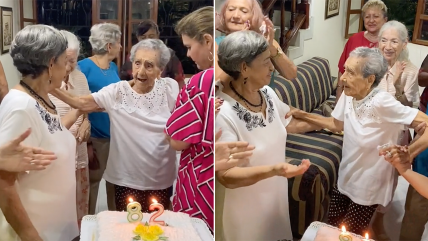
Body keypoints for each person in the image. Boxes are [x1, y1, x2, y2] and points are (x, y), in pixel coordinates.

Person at [286, 46, 428, 236]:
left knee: (353, 235)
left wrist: (409, 153)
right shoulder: (349, 92)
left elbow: (425, 121)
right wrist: (300, 113)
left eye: (351, 72)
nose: (342, 77)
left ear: (370, 80)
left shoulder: (381, 102)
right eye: (345, 69)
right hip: (346, 176)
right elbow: (336, 124)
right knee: (332, 229)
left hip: (368, 185)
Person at [51, 38, 179, 213]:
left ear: (160, 70)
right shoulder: (117, 92)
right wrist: (48, 86)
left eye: (149, 65)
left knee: (156, 231)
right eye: (137, 63)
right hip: (125, 179)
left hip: (161, 178)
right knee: (126, 230)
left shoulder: (170, 88)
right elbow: (81, 102)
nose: (140, 71)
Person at [215, 30, 321, 241]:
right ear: (244, 68)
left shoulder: (267, 94)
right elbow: (226, 176)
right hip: (246, 212)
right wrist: (274, 170)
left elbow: (289, 121)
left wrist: (331, 123)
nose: (272, 67)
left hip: (275, 200)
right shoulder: (223, 112)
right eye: (265, 62)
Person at [0, 24, 84, 241]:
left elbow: (49, 134)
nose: (67, 68)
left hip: (58, 227)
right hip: (38, 232)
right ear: (50, 63)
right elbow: (4, 183)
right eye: (64, 61)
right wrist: (30, 236)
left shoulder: (40, 97)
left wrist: (77, 112)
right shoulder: (21, 107)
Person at [164, 6, 215, 233]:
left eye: (189, 47)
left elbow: (178, 141)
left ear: (207, 41)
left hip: (201, 180)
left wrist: (168, 130)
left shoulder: (200, 82)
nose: (188, 55)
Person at [372, 20, 420, 239]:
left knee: (388, 179)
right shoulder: (371, 64)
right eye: (383, 40)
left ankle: (379, 221)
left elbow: (412, 112)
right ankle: (363, 215)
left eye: (394, 41)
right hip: (370, 129)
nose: (387, 46)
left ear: (404, 44)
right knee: (369, 177)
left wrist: (399, 86)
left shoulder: (410, 71)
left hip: (395, 134)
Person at [49, 30, 91, 228]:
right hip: (57, 156)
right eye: (64, 61)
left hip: (79, 153)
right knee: (59, 211)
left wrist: (85, 122)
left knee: (80, 205)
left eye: (72, 61)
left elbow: (85, 109)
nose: (67, 67)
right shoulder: (45, 84)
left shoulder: (80, 78)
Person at [78, 23, 122, 214]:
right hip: (95, 134)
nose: (121, 46)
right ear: (109, 45)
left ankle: (114, 220)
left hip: (115, 133)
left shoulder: (113, 67)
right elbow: (78, 100)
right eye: (118, 42)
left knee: (115, 179)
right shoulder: (83, 67)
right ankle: (88, 221)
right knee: (94, 180)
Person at [215, 0, 297, 87]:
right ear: (224, 14)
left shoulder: (265, 41)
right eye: (231, 10)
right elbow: (219, 84)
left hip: (267, 99)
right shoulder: (216, 45)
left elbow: (291, 74)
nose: (235, 16)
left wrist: (270, 47)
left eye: (244, 11)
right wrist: (239, 45)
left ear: (254, 16)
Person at [336, 0, 387, 101]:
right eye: (367, 17)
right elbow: (343, 70)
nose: (371, 20)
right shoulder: (354, 39)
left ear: (385, 20)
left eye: (376, 16)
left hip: (379, 98)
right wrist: (339, 93)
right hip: (351, 96)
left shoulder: (388, 44)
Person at [120, 19, 185, 89]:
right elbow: (124, 81)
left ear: (158, 35)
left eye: (151, 36)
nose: (148, 40)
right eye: (143, 37)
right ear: (138, 38)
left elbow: (179, 81)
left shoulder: (169, 55)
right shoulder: (132, 56)